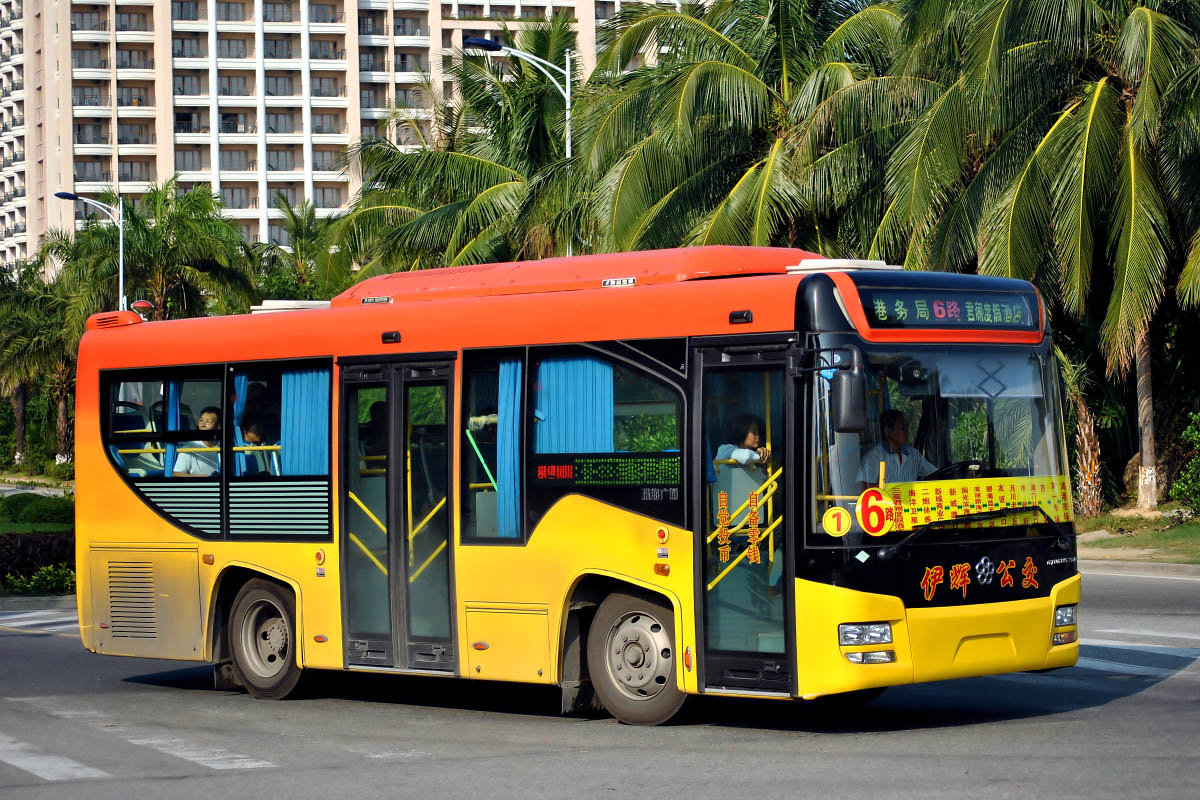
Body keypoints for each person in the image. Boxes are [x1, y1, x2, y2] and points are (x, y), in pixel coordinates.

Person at [857, 409, 936, 487]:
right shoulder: (873, 457)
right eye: (902, 428)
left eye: (907, 426)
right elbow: (864, 488)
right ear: (888, 431)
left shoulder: (914, 455)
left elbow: (935, 474)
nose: (906, 431)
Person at [173, 406, 221, 477]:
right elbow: (176, 474)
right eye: (201, 420)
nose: (203, 425)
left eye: (208, 421)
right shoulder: (189, 448)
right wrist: (208, 477)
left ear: (219, 426)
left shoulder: (224, 446)